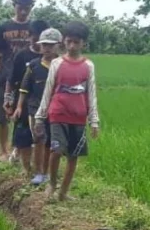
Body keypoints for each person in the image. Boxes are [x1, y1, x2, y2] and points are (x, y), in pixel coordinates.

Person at [34, 22, 100, 202]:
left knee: (73, 155)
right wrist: (40, 117)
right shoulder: (57, 63)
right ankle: (52, 184)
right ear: (64, 42)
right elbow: (48, 91)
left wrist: (94, 120)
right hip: (58, 114)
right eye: (69, 41)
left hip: (78, 117)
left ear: (83, 43)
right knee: (56, 150)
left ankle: (63, 191)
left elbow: (91, 93)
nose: (72, 46)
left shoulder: (88, 66)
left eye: (76, 42)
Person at [0, 0, 35, 159]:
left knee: (23, 115)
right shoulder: (3, 27)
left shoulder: (34, 29)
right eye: (20, 7)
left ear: (31, 7)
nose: (23, 11)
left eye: (26, 8)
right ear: (14, 6)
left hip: (29, 78)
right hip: (5, 76)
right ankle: (3, 150)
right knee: (2, 116)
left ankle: (19, 149)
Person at [15, 28, 61, 186]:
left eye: (51, 45)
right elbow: (24, 88)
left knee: (52, 142)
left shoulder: (62, 66)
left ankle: (48, 172)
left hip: (56, 109)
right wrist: (19, 106)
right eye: (44, 45)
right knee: (39, 139)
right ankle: (38, 172)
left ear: (58, 46)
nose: (47, 48)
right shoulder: (34, 65)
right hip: (36, 109)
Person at [7, 20, 51, 172]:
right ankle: (27, 167)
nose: (38, 40)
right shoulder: (23, 56)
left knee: (44, 138)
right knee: (24, 134)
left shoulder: (56, 61)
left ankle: (41, 170)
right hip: (26, 102)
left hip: (47, 104)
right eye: (34, 36)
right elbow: (12, 80)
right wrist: (10, 101)